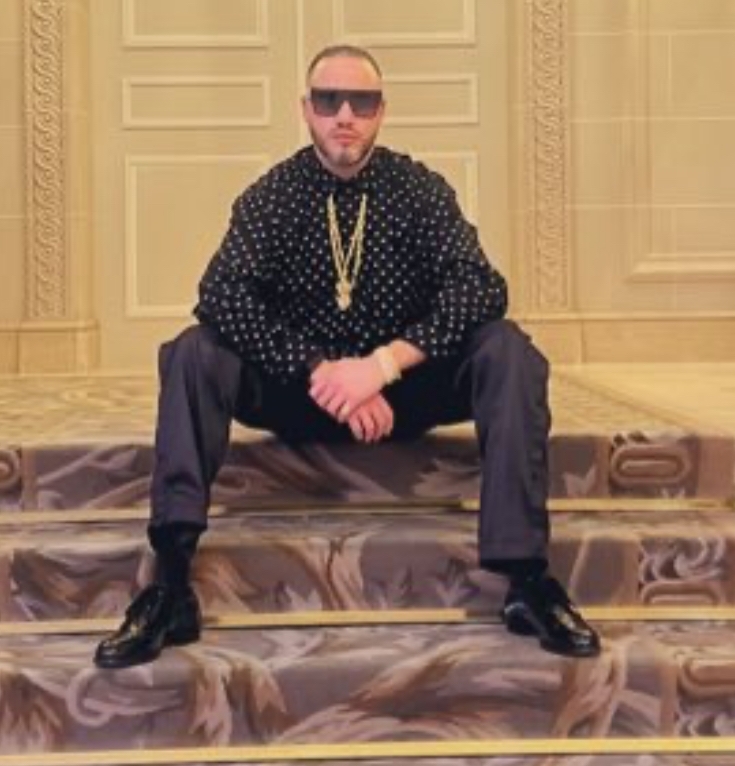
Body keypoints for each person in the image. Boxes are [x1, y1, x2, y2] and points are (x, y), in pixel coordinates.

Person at [94, 44, 600, 670]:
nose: (344, 116)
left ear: (380, 112)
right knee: (194, 352)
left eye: (361, 102)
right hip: (298, 393)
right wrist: (322, 371)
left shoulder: (417, 190)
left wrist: (380, 368)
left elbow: (480, 286)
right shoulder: (273, 196)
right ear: (306, 110)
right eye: (329, 100)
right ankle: (170, 586)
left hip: (403, 393)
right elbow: (220, 293)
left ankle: (527, 580)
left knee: (509, 349)